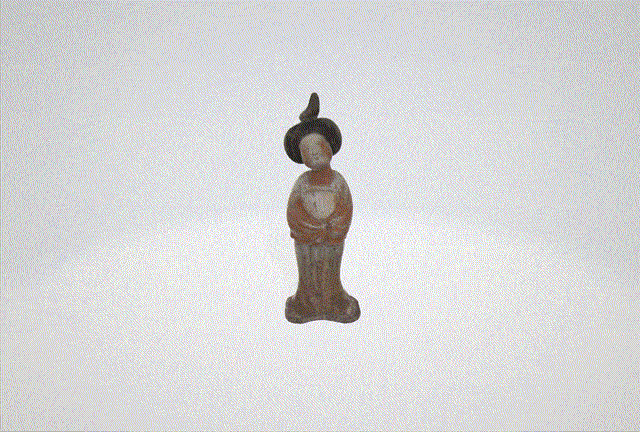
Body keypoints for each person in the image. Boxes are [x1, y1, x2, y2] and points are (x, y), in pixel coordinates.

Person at [284, 93, 360, 323]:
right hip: (306, 239)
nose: (314, 153)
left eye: (318, 147)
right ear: (302, 158)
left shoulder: (338, 181)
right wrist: (309, 226)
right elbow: (293, 210)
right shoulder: (302, 182)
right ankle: (306, 303)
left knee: (329, 270)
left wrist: (333, 226)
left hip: (332, 239)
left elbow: (346, 208)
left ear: (329, 148)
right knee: (308, 271)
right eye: (307, 151)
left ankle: (333, 300)